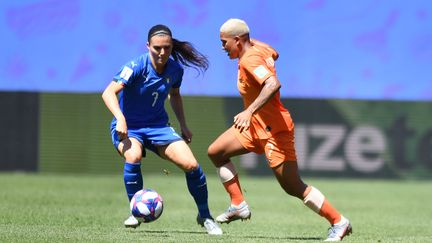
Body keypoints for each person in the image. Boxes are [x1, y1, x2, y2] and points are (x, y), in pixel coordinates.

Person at [208, 18, 352, 241]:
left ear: (237, 40)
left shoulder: (250, 59)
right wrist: (251, 43)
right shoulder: (258, 48)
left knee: (293, 186)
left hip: (275, 129)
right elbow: (274, 54)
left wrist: (249, 111)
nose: (222, 48)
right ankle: (238, 204)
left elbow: (273, 84)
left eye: (224, 42)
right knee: (216, 152)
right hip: (255, 127)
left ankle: (339, 222)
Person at [102, 24, 222, 235]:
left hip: (158, 127)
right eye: (157, 48)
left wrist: (183, 124)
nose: (162, 52)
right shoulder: (136, 66)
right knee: (133, 155)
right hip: (129, 127)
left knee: (192, 164)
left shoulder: (175, 70)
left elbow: (174, 95)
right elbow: (108, 92)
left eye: (166, 48)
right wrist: (120, 118)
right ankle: (135, 211)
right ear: (148, 46)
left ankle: (205, 216)